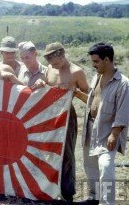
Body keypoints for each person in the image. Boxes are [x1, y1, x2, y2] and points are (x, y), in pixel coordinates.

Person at [34, 42, 89, 202]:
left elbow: (91, 99)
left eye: (56, 62)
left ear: (63, 55)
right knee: (47, 151)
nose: (54, 66)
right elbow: (46, 86)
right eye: (51, 63)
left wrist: (76, 93)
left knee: (66, 154)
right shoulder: (50, 68)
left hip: (67, 116)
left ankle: (67, 193)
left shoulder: (76, 72)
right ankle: (48, 189)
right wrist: (40, 84)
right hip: (49, 114)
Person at [82, 43, 129, 204]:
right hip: (91, 128)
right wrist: (74, 93)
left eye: (96, 61)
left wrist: (114, 135)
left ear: (107, 60)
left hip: (108, 132)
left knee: (105, 167)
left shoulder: (123, 84)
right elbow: (93, 102)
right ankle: (94, 198)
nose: (93, 65)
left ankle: (107, 203)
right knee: (90, 167)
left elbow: (123, 112)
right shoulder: (96, 77)